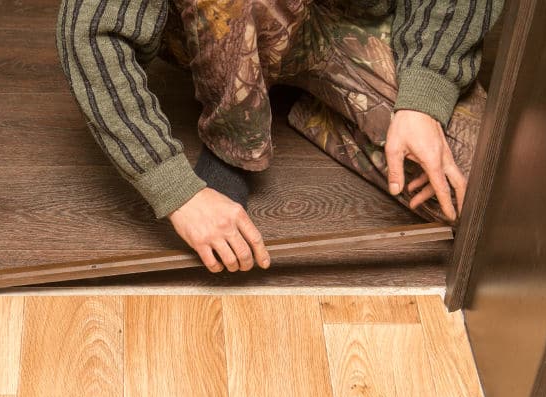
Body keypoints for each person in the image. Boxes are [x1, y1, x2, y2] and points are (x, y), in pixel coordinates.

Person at [57, 0, 503, 273]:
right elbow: (89, 32)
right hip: (230, 23)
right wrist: (176, 191)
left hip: (346, 20)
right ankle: (237, 133)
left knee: (479, 192)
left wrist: (423, 98)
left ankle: (299, 98)